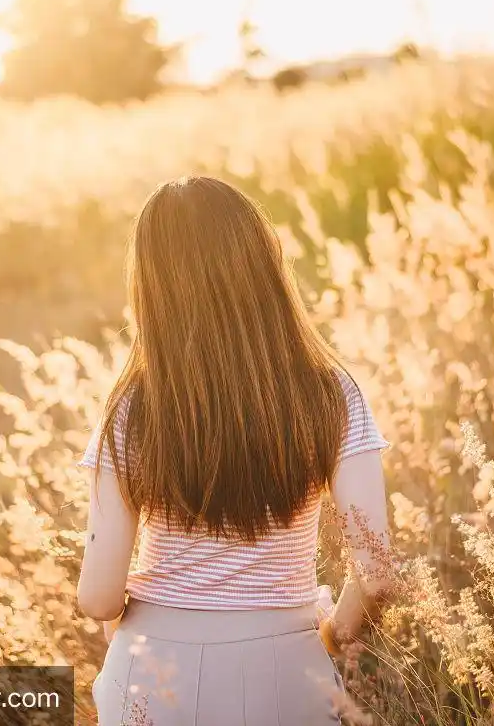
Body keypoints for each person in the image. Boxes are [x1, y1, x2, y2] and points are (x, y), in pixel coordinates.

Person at [76, 175, 394, 725]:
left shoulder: (130, 407)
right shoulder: (332, 393)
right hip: (287, 668)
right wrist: (329, 639)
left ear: (150, 288)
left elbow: (101, 598)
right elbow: (379, 570)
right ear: (263, 267)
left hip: (152, 668)